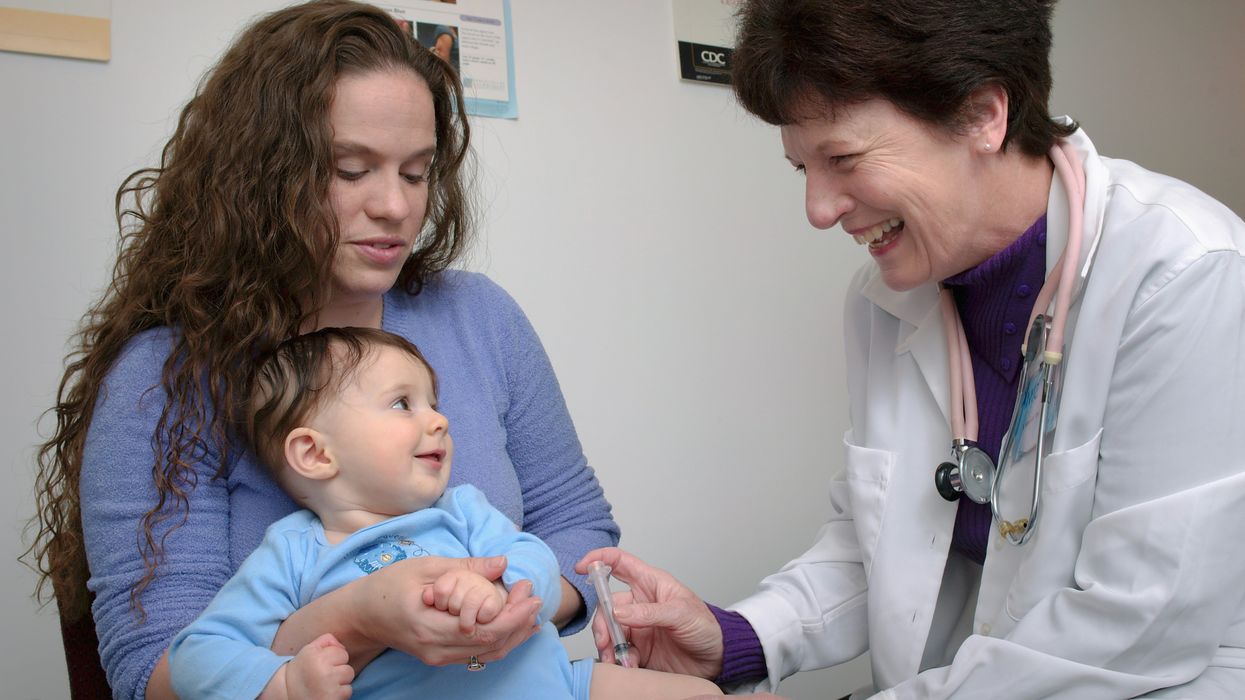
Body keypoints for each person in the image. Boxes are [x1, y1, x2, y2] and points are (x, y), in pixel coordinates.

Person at [578, 1, 1245, 698]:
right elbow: (876, 544)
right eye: (800, 167)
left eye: (842, 158)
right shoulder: (887, 301)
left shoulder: (1184, 273)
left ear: (983, 115)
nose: (817, 208)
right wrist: (739, 639)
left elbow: (1137, 622)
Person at [24, 2, 619, 698]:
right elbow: (151, 673)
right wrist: (365, 623)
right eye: (350, 169)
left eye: (415, 171)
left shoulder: (479, 317)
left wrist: (501, 608)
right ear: (260, 176)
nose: (395, 208)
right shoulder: (166, 381)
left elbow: (578, 526)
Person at [169, 327, 718, 699]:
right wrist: (285, 685)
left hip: (559, 686)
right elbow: (197, 656)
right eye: (403, 403)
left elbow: (537, 561)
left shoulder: (462, 511)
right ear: (315, 454)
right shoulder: (292, 552)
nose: (439, 421)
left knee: (708, 693)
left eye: (435, 402)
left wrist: (506, 594)